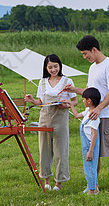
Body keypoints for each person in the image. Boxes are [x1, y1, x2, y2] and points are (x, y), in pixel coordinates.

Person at [63, 35, 109, 193]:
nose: (85, 57)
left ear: (94, 49)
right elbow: (89, 91)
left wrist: (99, 108)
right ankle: (93, 185)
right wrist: (73, 90)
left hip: (107, 115)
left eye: (85, 53)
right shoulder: (92, 67)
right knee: (93, 151)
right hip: (93, 116)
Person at [24, 54, 78, 191]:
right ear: (46, 68)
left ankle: (58, 182)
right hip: (44, 119)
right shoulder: (42, 82)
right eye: (50, 67)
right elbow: (40, 103)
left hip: (60, 119)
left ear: (60, 66)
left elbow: (75, 102)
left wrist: (66, 105)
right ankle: (46, 181)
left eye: (55, 66)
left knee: (60, 151)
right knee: (44, 150)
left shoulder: (67, 81)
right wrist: (32, 100)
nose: (53, 69)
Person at [68, 87, 101, 195]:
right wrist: (71, 105)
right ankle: (94, 187)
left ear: (89, 101)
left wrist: (90, 151)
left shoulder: (94, 117)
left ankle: (92, 190)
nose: (82, 101)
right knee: (89, 167)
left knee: (90, 168)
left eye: (83, 99)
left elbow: (94, 134)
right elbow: (77, 115)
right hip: (86, 146)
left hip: (90, 146)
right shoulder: (87, 111)